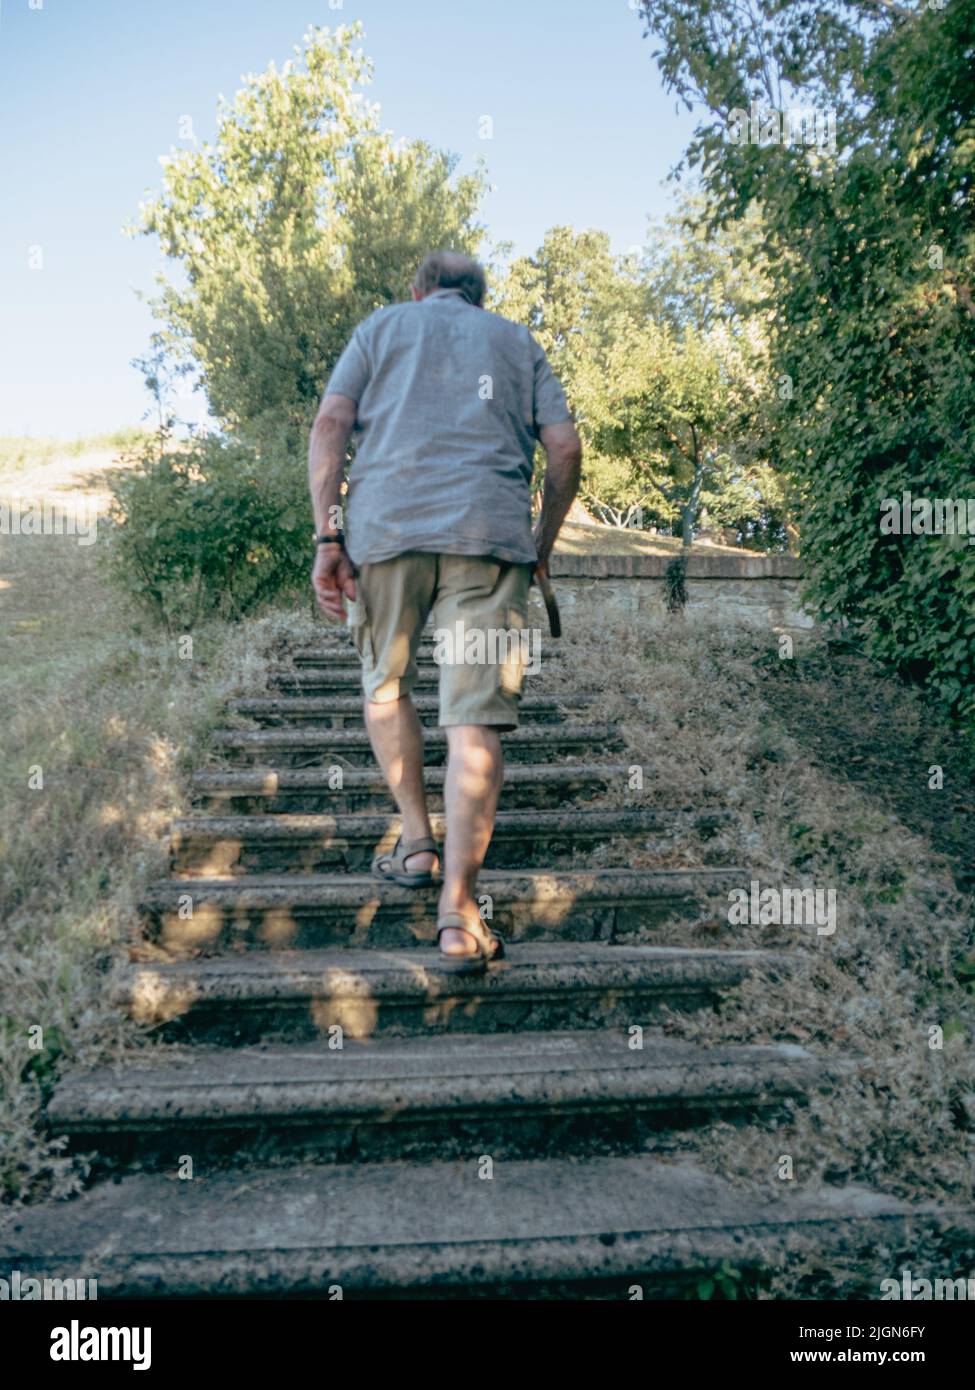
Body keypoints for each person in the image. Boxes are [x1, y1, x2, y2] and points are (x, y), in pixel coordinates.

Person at [308, 249, 581, 967]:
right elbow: (563, 445)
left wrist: (327, 535)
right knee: (474, 717)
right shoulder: (515, 341)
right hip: (488, 536)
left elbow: (332, 421)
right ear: (479, 296)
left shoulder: (380, 327)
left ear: (418, 289)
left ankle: (417, 843)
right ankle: (458, 914)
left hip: (386, 531)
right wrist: (541, 543)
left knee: (386, 685)